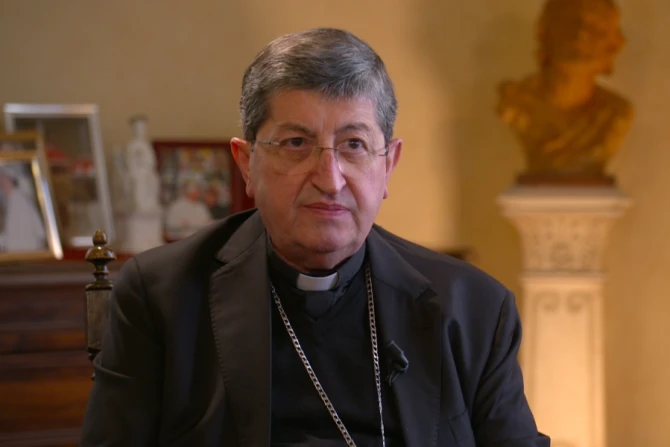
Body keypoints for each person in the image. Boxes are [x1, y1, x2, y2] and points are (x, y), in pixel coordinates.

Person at [80, 28, 550, 446]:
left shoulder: (473, 309)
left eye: (354, 145)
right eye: (296, 143)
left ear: (388, 165)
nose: (329, 178)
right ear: (246, 163)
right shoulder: (161, 296)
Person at [0, 164, 46, 252]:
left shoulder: (20, 199)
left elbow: (37, 230)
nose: (1, 184)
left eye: (2, 180)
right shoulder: (11, 200)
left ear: (9, 181)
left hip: (26, 250)